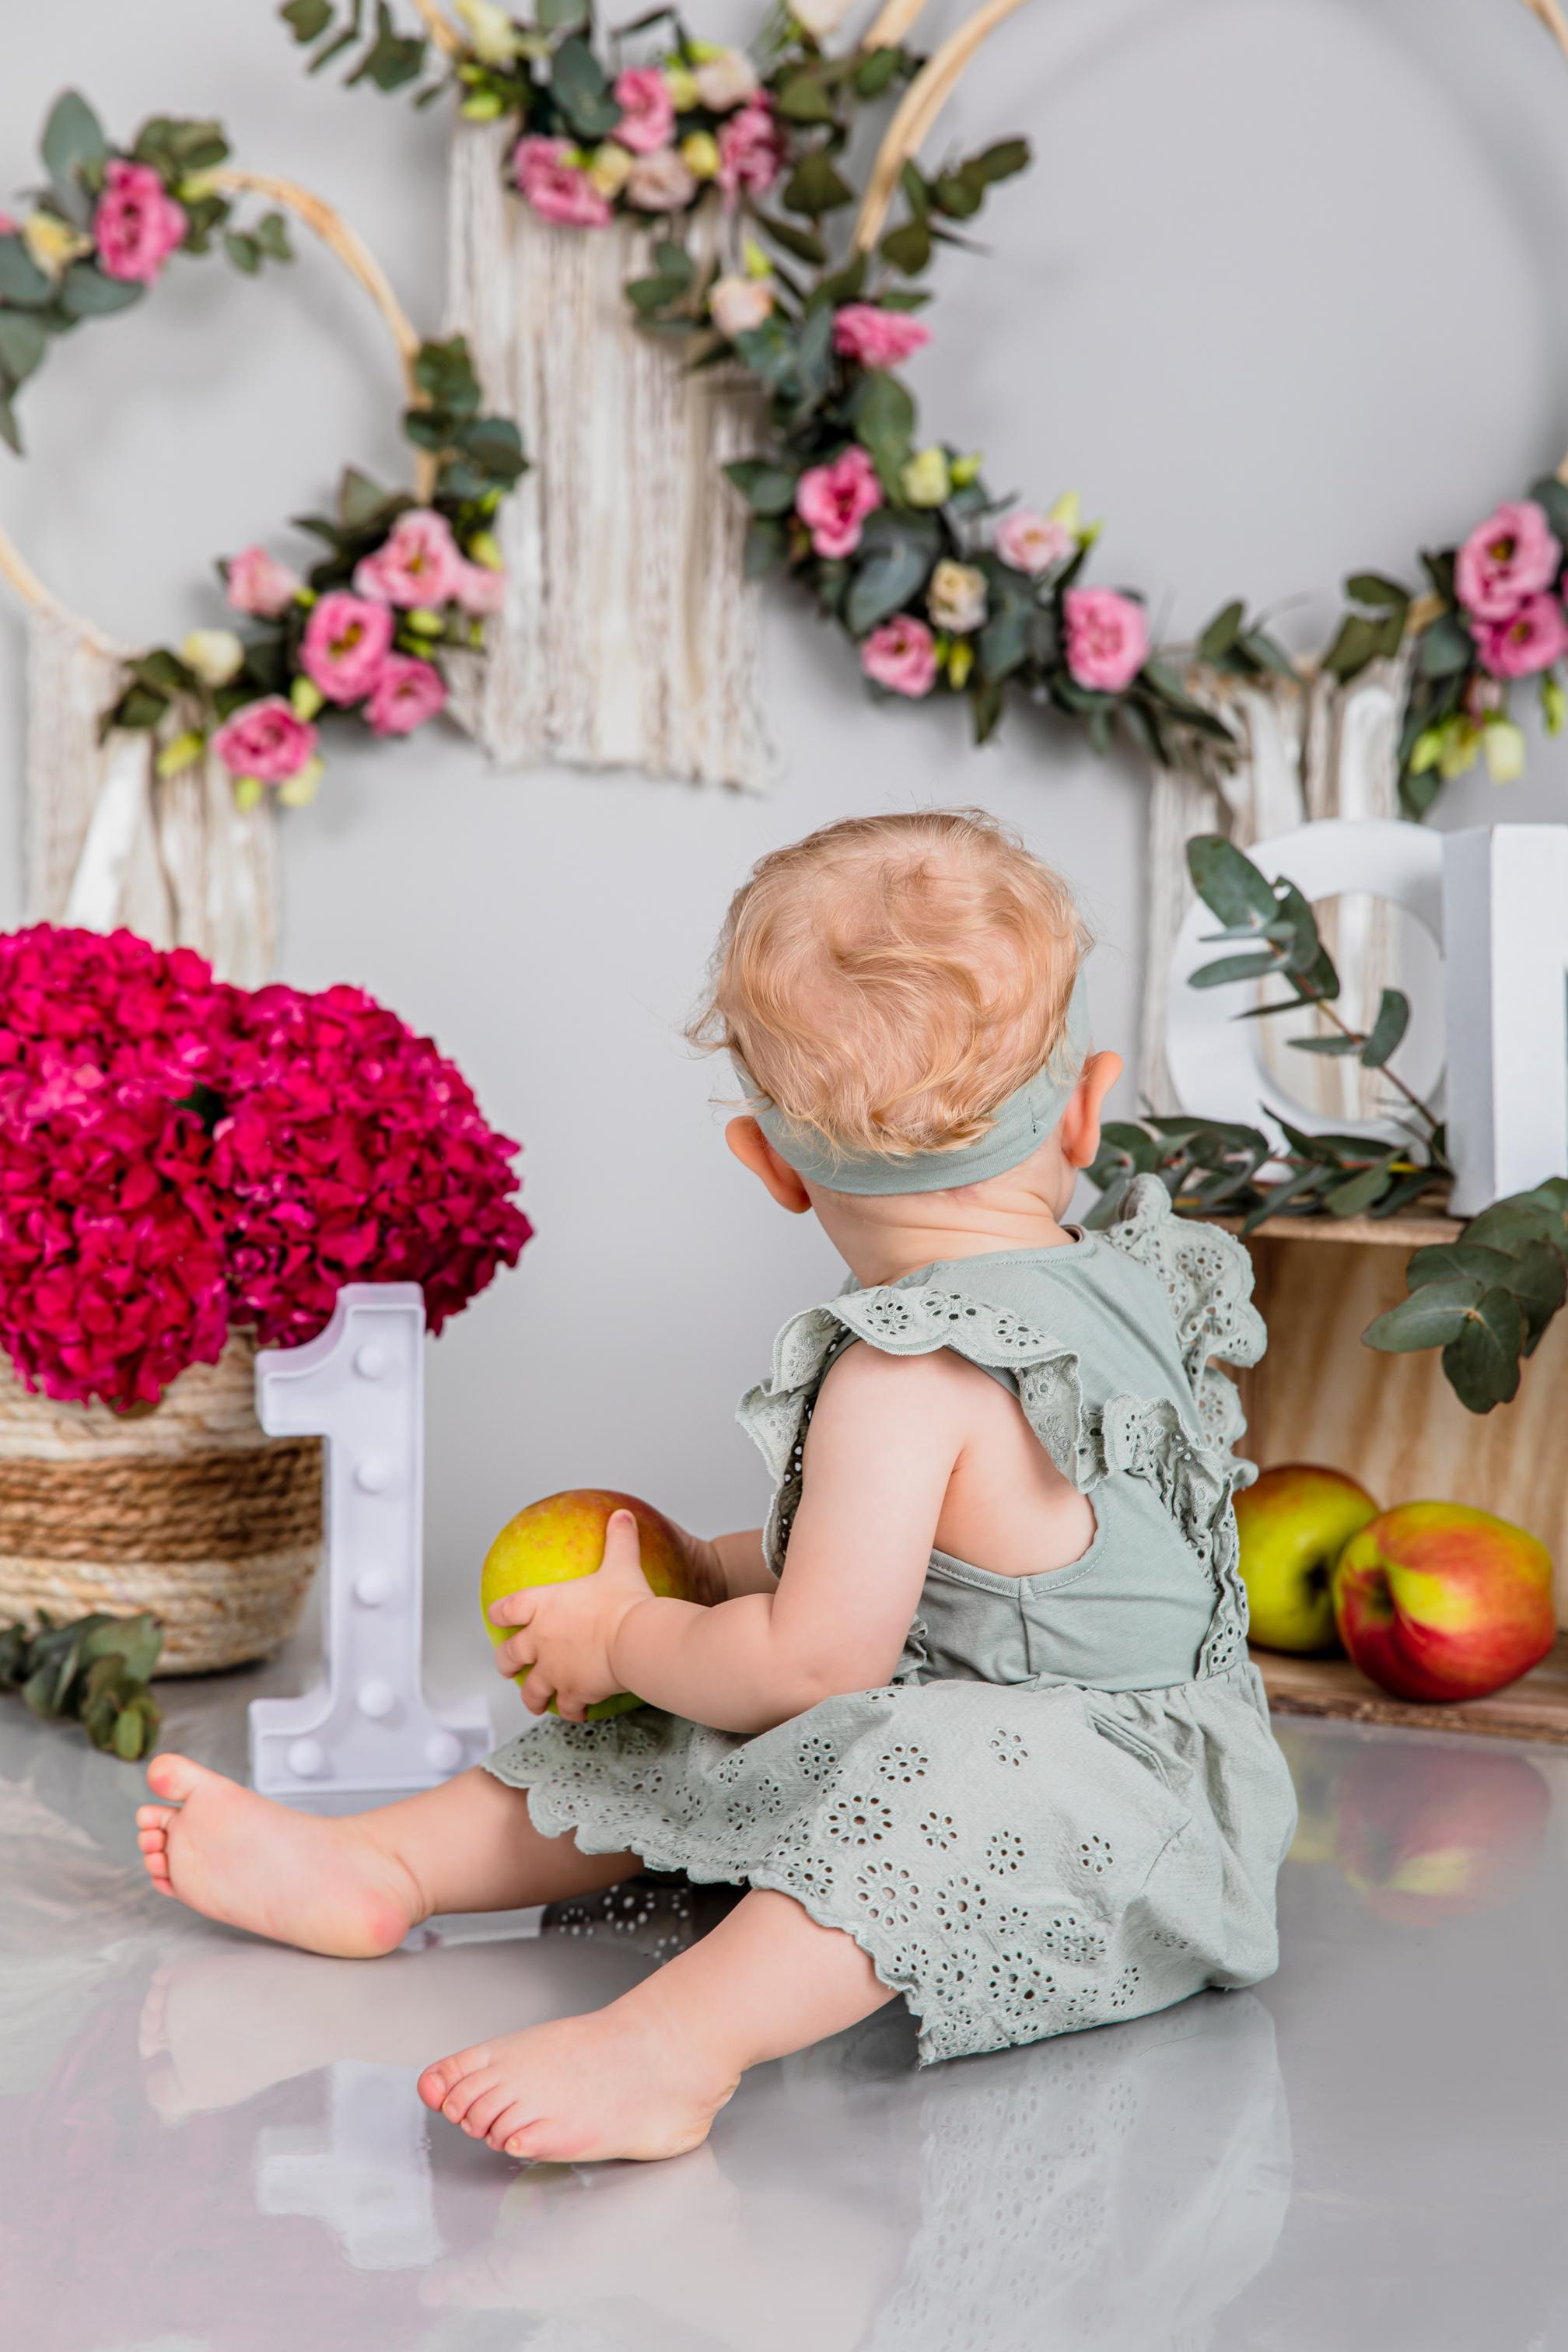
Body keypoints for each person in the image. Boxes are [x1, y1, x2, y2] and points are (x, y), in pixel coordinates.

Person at [135, 808, 1297, 2165]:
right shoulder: (1127, 1280)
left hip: (1115, 1826)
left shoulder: (900, 1375)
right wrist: (709, 1570)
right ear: (1090, 1108)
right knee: (697, 1705)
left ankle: (674, 2046)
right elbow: (937, 1571)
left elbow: (812, 1662)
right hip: (1081, 1742)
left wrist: (628, 1635)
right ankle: (381, 1863)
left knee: (865, 1746)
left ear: (771, 1165)